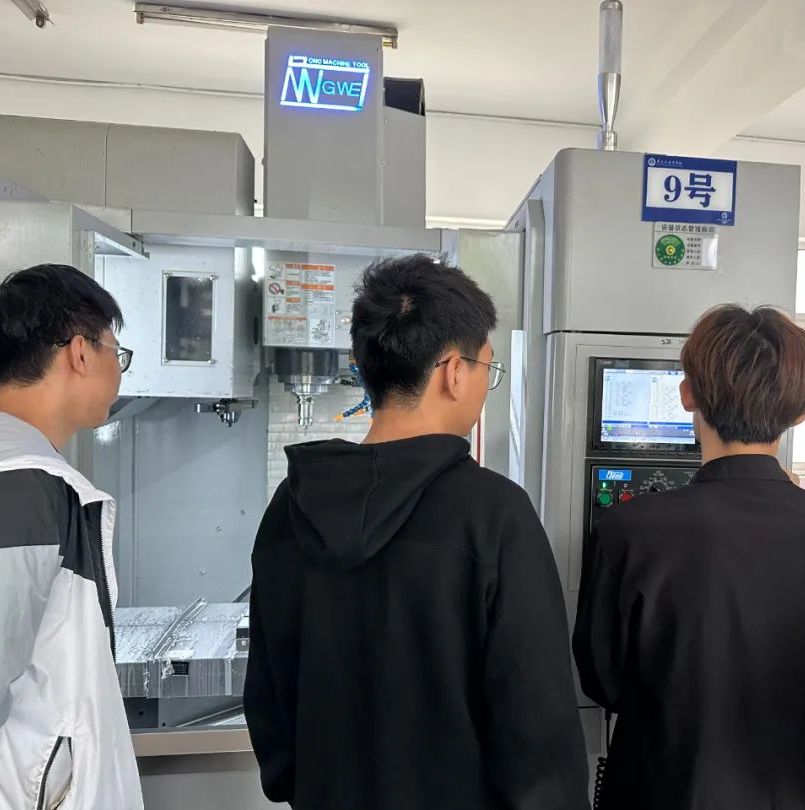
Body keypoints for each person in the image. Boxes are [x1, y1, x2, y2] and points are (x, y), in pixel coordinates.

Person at [244, 254, 589, 810]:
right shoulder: (494, 513)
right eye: (488, 368)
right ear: (454, 372)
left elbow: (268, 696)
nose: (485, 384)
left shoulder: (291, 504)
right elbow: (537, 730)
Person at [573, 304, 805, 810]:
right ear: (802, 411)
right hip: (799, 793)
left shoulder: (628, 532)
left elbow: (602, 679)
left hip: (664, 790)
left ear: (687, 394)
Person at [0, 264, 142, 809]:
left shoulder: (13, 472)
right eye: (116, 353)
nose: (118, 371)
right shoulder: (18, 484)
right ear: (80, 353)